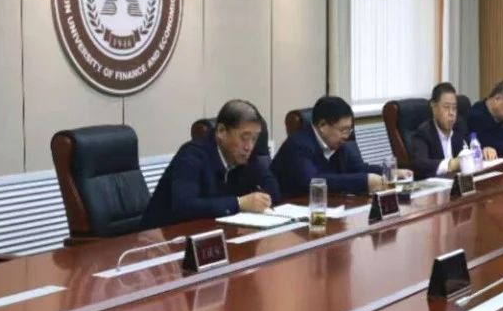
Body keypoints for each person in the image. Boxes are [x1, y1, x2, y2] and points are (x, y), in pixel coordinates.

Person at [141, 99, 281, 229]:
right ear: (221, 131)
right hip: (160, 238)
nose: (249, 146)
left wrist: (262, 199)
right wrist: (239, 203)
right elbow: (184, 205)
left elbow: (273, 190)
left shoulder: (246, 154)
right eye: (244, 137)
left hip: (212, 232)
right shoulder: (192, 155)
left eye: (254, 139)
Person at [271, 95, 410, 196]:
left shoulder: (339, 144)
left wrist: (389, 173)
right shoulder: (298, 145)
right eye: (343, 130)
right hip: (294, 211)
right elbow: (313, 182)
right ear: (323, 125)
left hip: (330, 206)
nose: (347, 135)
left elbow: (359, 168)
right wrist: (364, 181)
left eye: (349, 130)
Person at [407, 82, 496, 179]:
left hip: (460, 184)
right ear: (434, 107)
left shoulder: (459, 127)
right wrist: (450, 164)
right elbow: (420, 164)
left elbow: (470, 148)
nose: (451, 113)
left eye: (454, 108)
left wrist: (484, 151)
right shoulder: (424, 133)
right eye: (446, 108)